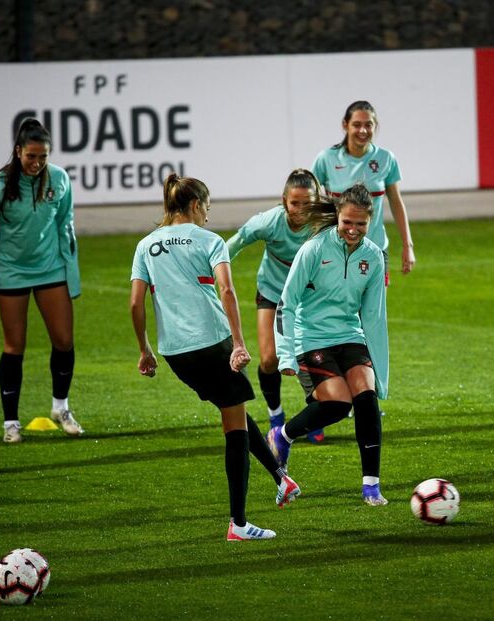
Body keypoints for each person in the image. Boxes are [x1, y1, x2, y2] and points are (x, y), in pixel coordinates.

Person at [129, 174, 299, 542]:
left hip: (175, 352)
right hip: (211, 343)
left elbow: (135, 303)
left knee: (232, 408)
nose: (208, 214)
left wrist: (145, 350)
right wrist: (238, 343)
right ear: (195, 205)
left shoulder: (146, 246)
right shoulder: (210, 241)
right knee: (233, 425)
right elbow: (226, 289)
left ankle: (280, 478)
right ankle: (238, 524)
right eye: (207, 206)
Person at [265, 183, 390, 506]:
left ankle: (371, 486)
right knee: (337, 405)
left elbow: (374, 318)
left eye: (360, 224)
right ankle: (283, 435)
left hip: (349, 335)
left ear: (370, 222)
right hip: (312, 336)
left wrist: (383, 376)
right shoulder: (314, 249)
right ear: (338, 216)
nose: (353, 229)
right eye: (348, 222)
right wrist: (286, 355)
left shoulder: (373, 257)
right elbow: (286, 303)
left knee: (366, 396)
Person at [0, 117, 83, 443]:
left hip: (51, 269)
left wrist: (72, 278)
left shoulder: (59, 180)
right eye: (31, 156)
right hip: (12, 270)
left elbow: (66, 227)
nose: (37, 163)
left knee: (64, 341)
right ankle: (10, 423)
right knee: (15, 347)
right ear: (18, 152)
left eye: (43, 156)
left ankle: (61, 407)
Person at [226, 169, 321, 442]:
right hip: (272, 291)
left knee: (312, 356)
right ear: (283, 200)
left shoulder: (324, 223)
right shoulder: (268, 222)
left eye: (308, 203)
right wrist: (212, 271)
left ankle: (316, 413)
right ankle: (275, 412)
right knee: (269, 359)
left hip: (308, 296)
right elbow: (235, 243)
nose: (301, 209)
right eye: (295, 203)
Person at [313, 100, 415, 281]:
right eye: (357, 125)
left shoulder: (385, 158)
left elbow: (396, 202)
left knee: (375, 309)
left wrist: (408, 246)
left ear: (376, 126)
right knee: (338, 308)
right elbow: (310, 201)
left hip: (375, 249)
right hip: (335, 251)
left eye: (369, 125)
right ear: (345, 125)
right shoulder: (327, 158)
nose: (363, 130)